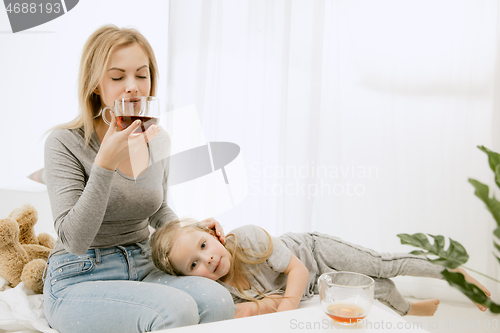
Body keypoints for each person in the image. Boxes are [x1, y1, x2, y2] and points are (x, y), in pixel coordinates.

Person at [43, 25, 235, 333]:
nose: (132, 87)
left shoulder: (157, 139)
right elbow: (74, 239)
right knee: (176, 310)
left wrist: (190, 229)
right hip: (80, 273)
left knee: (218, 301)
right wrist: (105, 164)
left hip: (143, 263)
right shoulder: (64, 143)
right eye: (118, 77)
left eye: (141, 75)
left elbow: (156, 210)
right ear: (95, 84)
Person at [150, 219, 492, 318]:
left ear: (214, 234)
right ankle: (411, 308)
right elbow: (258, 305)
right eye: (194, 264)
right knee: (375, 288)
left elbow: (296, 272)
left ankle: (453, 273)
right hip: (315, 286)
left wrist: (285, 307)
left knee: (382, 265)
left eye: (204, 246)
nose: (207, 259)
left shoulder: (249, 239)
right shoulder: (220, 291)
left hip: (314, 255)